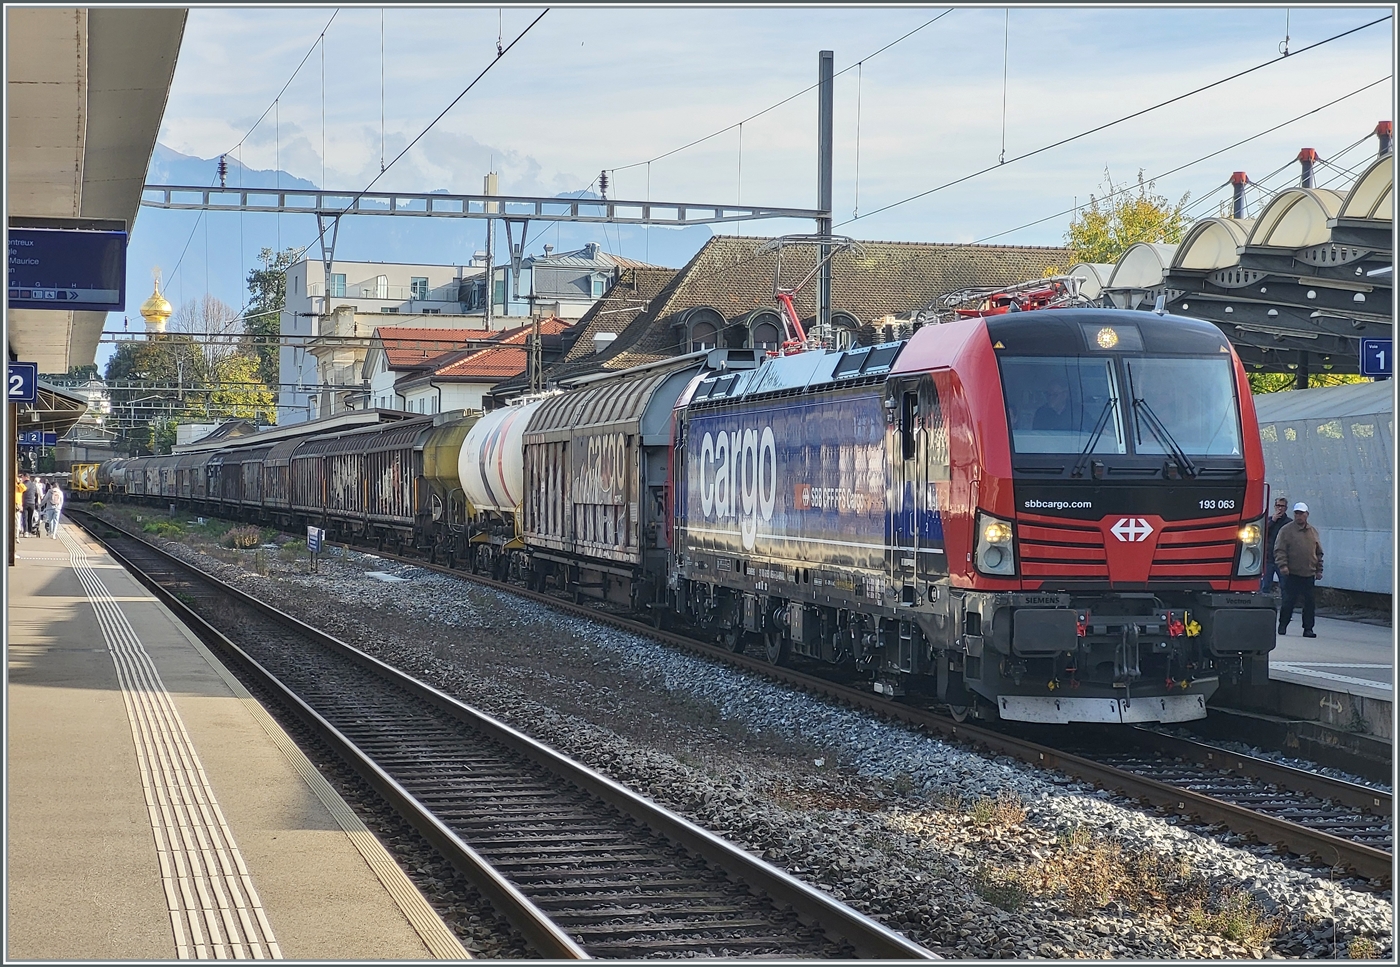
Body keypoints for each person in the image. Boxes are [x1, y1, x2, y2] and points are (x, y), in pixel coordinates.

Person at [1275, 501, 1323, 638]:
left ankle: (1308, 629)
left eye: (1301, 513)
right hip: (1292, 573)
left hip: (1309, 573)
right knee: (1288, 602)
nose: (1299, 516)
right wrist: (1283, 565)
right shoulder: (1286, 530)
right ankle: (1283, 625)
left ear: (1307, 514)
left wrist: (1319, 569)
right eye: (1296, 513)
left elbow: (1318, 552)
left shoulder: (1313, 531)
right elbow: (1280, 550)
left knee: (1309, 603)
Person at [1260, 496, 1290, 593]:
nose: (1280, 508)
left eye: (1282, 506)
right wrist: (1273, 521)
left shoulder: (1289, 523)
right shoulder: (1268, 520)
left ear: (1286, 508)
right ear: (1274, 506)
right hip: (1269, 558)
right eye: (1278, 505)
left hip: (1282, 560)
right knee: (1265, 586)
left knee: (1285, 585)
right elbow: (1262, 534)